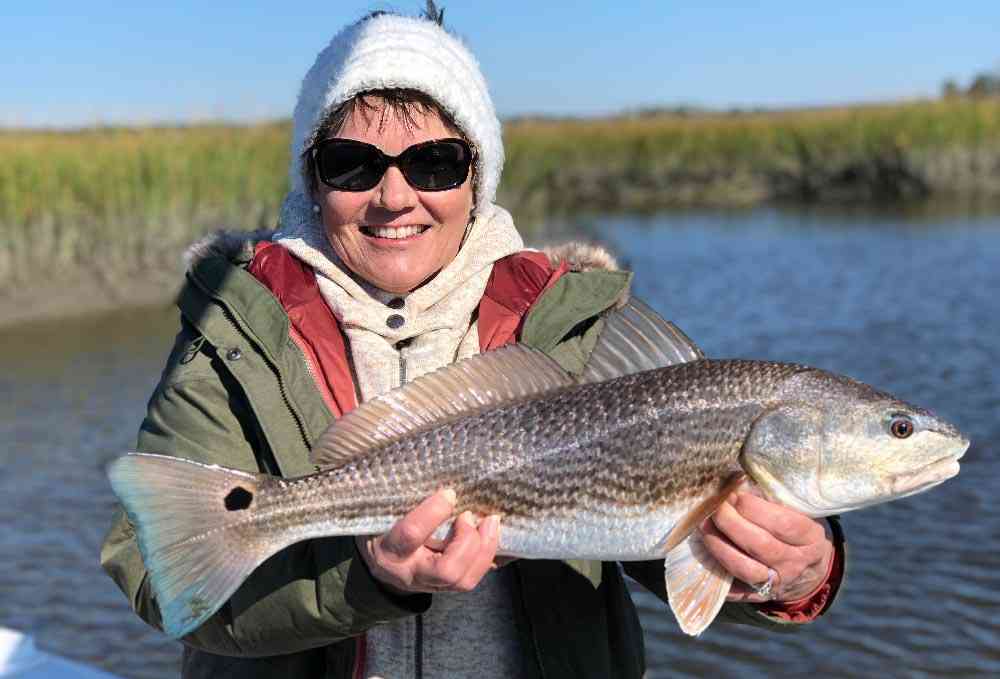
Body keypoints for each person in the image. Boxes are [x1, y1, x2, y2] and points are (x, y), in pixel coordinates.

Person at [101, 6, 845, 678]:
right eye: (352, 164)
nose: (395, 196)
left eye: (434, 163)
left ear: (477, 177)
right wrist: (368, 580)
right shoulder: (234, 329)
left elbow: (668, 548)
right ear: (312, 179)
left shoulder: (575, 322)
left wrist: (794, 572)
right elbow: (157, 576)